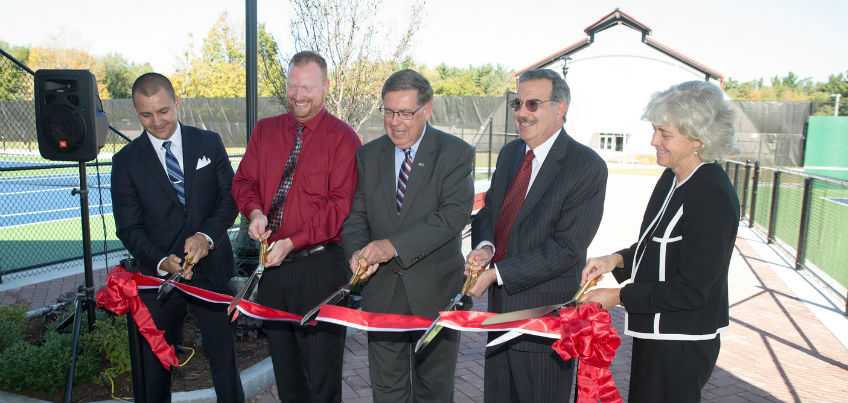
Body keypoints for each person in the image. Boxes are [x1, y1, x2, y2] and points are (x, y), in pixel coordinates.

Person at [580, 80, 739, 403]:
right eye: (655, 130)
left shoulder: (711, 194)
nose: (654, 141)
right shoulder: (673, 177)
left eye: (664, 134)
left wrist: (617, 295)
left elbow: (693, 288)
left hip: (681, 341)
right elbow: (657, 246)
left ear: (698, 139)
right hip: (657, 332)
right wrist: (615, 260)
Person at [465, 68, 607, 403]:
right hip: (500, 314)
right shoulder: (511, 153)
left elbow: (568, 247)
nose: (522, 113)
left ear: (560, 109)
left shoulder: (587, 166)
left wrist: (496, 274)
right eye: (517, 103)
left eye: (533, 104)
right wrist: (486, 247)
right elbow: (489, 213)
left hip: (546, 319)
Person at [231, 50, 360, 403]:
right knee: (287, 377)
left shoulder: (343, 139)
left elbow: (340, 207)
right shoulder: (265, 131)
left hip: (320, 270)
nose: (299, 95)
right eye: (292, 86)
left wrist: (293, 241)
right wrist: (255, 212)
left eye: (307, 87)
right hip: (273, 270)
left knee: (321, 380)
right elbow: (243, 182)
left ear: (325, 87)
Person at [340, 68, 474, 402]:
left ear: (427, 110)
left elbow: (452, 216)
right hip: (382, 294)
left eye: (405, 113)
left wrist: (391, 247)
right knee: (387, 390)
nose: (395, 122)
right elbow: (356, 215)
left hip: (436, 293)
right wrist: (357, 253)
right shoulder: (368, 155)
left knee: (433, 390)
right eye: (389, 112)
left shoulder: (455, 153)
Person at [111, 72, 244, 402]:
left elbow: (230, 199)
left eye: (163, 111)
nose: (156, 121)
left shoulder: (208, 143)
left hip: (211, 272)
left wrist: (205, 236)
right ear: (136, 111)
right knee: (155, 366)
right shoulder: (125, 162)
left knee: (225, 361)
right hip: (159, 283)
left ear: (177, 103)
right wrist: (159, 259)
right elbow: (128, 226)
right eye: (146, 115)